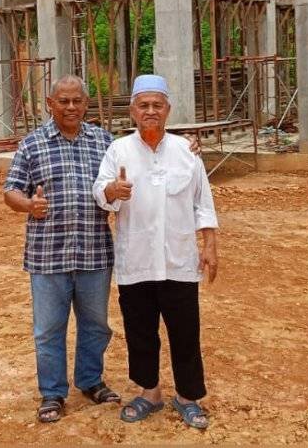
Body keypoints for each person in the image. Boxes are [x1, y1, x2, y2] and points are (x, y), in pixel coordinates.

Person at [92, 74, 219, 430]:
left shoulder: (186, 152)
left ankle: (188, 397)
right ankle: (150, 392)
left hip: (179, 261)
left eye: (157, 105)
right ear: (133, 110)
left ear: (168, 110)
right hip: (137, 261)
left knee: (185, 332)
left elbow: (202, 203)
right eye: (144, 105)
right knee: (140, 331)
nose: (151, 111)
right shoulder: (118, 150)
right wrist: (114, 191)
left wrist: (209, 245)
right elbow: (100, 191)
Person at [3, 75, 121, 423]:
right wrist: (28, 206)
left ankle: (90, 381)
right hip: (48, 255)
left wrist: (186, 145)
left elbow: (137, 166)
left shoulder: (105, 142)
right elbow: (10, 190)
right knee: (49, 329)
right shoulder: (32, 145)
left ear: (86, 104)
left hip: (94, 252)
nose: (71, 107)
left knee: (96, 324)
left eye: (77, 101)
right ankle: (52, 393)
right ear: (49, 104)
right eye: (63, 101)